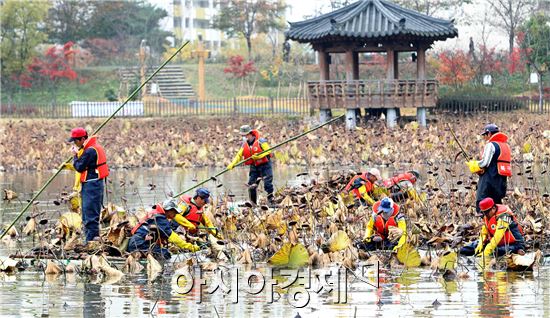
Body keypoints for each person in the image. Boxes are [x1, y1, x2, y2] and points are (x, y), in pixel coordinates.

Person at [67, 127, 109, 243]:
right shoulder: (94, 148)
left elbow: (79, 167)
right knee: (88, 215)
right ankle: (90, 241)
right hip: (94, 184)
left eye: (75, 141)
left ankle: (90, 243)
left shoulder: (90, 151)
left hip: (92, 185)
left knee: (90, 216)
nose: (74, 143)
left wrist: (75, 155)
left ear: (82, 139)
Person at [128, 199, 200, 260]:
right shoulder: (160, 218)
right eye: (174, 212)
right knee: (165, 254)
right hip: (139, 244)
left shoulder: (156, 214)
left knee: (161, 250)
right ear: (169, 210)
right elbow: (173, 237)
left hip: (137, 243)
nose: (175, 215)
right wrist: (190, 247)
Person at [459, 198, 525, 260]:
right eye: (483, 213)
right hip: (497, 243)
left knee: (493, 251)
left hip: (515, 245)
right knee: (469, 248)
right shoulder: (487, 216)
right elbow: (484, 232)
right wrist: (481, 243)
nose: (484, 215)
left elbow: (498, 236)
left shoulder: (504, 217)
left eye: (486, 212)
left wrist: (488, 249)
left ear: (493, 208)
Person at [467, 124, 512, 212]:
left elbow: (484, 163)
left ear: (489, 134)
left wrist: (474, 165)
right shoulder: (505, 146)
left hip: (489, 182)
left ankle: (486, 224)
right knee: (496, 206)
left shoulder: (491, 145)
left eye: (485, 135)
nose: (484, 137)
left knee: (482, 205)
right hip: (501, 183)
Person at [227, 125, 274, 206]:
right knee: (251, 185)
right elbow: (239, 155)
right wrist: (232, 164)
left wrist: (260, 156)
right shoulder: (244, 145)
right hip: (254, 166)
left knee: (267, 183)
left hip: (265, 165)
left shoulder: (261, 141)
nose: (244, 137)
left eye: (245, 135)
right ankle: (253, 203)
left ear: (250, 134)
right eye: (242, 136)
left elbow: (269, 152)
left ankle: (271, 201)